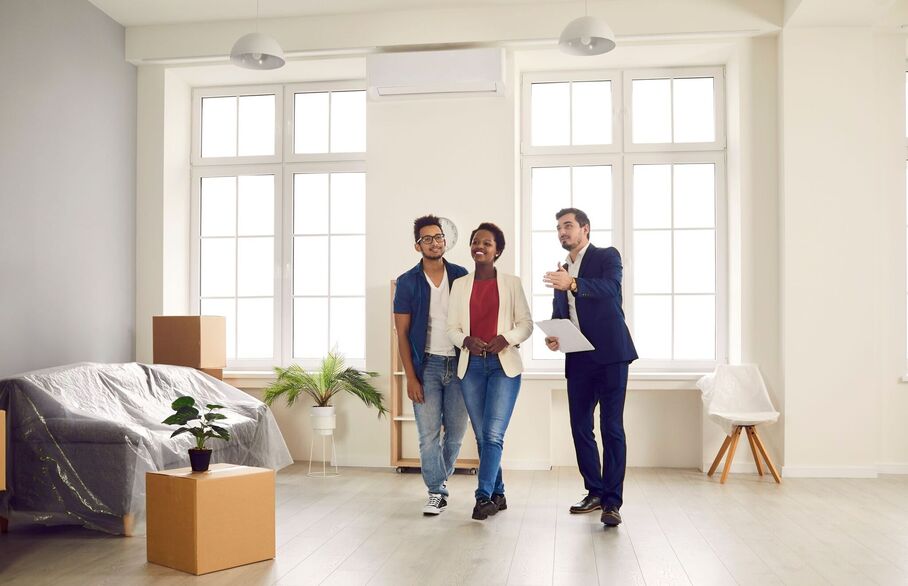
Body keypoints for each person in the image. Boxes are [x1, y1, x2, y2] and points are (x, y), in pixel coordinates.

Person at [542, 208, 637, 527]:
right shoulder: (561, 271)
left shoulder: (607, 256)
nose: (562, 232)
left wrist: (573, 283)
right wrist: (555, 336)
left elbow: (610, 289)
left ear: (585, 229)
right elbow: (562, 312)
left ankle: (612, 502)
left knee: (611, 427)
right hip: (578, 358)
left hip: (612, 355)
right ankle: (594, 492)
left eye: (568, 226)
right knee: (580, 428)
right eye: (558, 228)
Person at [447, 222, 533, 520]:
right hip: (471, 366)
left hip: (503, 367)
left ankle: (482, 497)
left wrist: (505, 339)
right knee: (483, 436)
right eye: (475, 242)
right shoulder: (460, 285)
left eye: (486, 243)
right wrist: (466, 340)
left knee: (493, 433)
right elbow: (452, 329)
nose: (479, 246)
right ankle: (498, 493)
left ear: (498, 251)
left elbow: (526, 324)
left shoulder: (512, 283)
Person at [393, 215, 469, 515]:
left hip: (461, 365)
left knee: (456, 434)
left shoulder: (462, 275)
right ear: (417, 245)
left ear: (445, 241)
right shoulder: (408, 282)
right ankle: (436, 491)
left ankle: (440, 480)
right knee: (427, 435)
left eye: (438, 237)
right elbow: (401, 333)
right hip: (427, 367)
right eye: (427, 238)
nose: (435, 242)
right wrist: (411, 377)